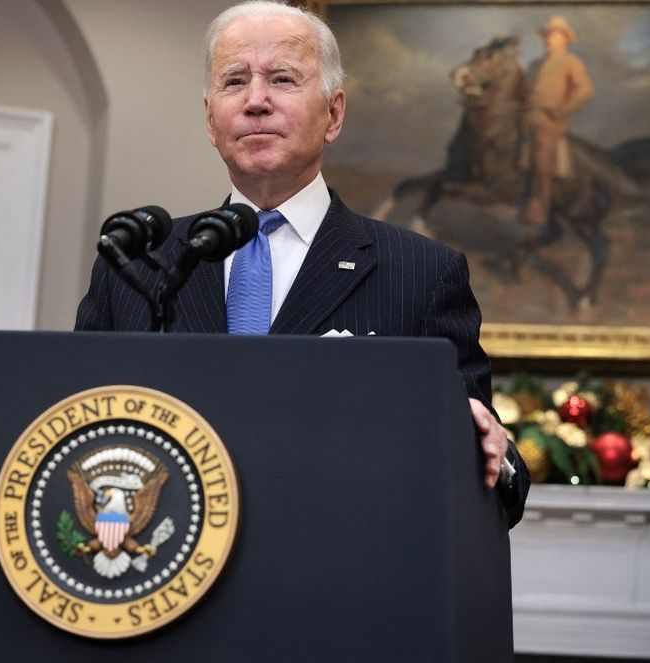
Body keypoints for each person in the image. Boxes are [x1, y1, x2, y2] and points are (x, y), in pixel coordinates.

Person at [76, 0, 529, 527]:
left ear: (333, 114)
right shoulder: (136, 267)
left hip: (334, 573)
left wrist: (499, 455)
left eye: (282, 79)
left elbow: (490, 468)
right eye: (234, 82)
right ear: (209, 119)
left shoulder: (422, 273)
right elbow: (82, 434)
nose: (255, 101)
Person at [520, 15, 594, 230]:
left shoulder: (572, 62)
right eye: (548, 35)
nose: (549, 39)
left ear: (565, 39)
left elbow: (584, 90)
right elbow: (526, 90)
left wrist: (562, 110)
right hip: (528, 118)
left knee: (542, 157)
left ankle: (541, 208)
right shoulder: (536, 64)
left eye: (554, 35)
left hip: (550, 122)